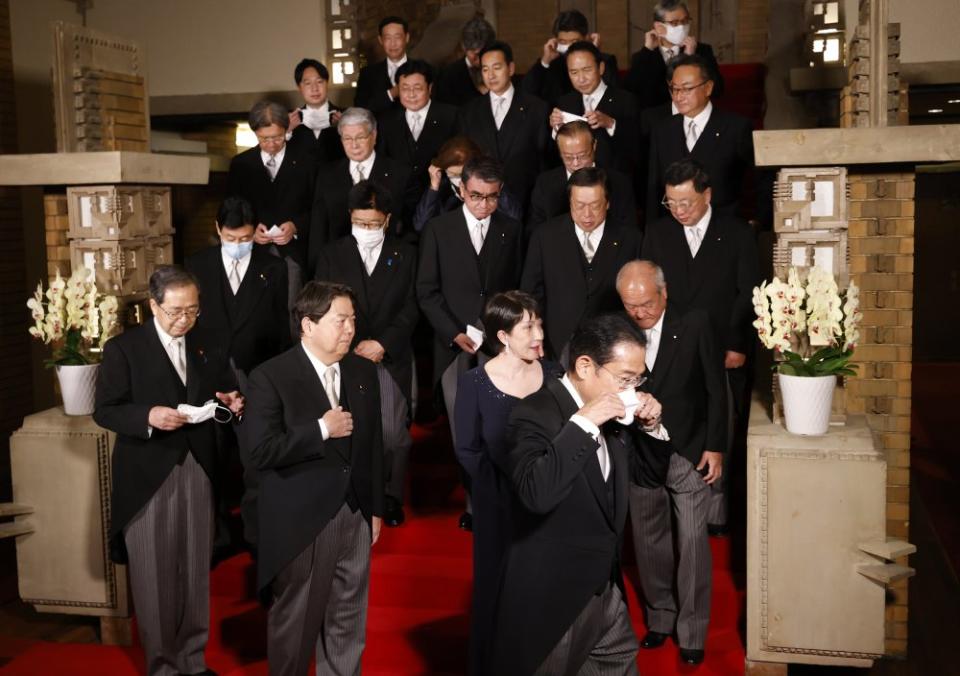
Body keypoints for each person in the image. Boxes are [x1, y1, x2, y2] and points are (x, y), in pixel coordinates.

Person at [491, 313, 671, 675]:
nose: (632, 389)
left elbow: (650, 479)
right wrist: (585, 423)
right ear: (585, 366)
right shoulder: (533, 413)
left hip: (606, 596)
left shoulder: (617, 417)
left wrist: (652, 427)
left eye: (638, 379)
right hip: (553, 604)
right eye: (625, 379)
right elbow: (536, 494)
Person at [94, 265, 244, 676]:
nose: (184, 320)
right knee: (154, 576)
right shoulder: (124, 349)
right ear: (153, 306)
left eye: (192, 311)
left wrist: (231, 400)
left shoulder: (207, 340)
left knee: (196, 568)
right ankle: (162, 666)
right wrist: (149, 415)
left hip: (198, 464)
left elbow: (223, 388)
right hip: (148, 472)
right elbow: (105, 410)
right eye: (175, 312)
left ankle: (193, 660)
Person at [241, 282, 384, 676]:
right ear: (308, 324)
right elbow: (259, 451)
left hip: (354, 511)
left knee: (348, 618)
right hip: (301, 520)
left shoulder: (362, 370)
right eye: (340, 321)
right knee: (297, 623)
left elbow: (373, 444)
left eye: (353, 320)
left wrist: (374, 508)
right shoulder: (271, 376)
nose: (350, 329)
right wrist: (320, 429)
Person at [617, 260, 727, 666]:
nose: (639, 313)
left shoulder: (695, 323)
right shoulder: (618, 329)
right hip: (642, 454)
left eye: (645, 303)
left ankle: (693, 631)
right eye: (630, 306)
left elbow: (717, 391)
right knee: (649, 544)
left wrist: (716, 446)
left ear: (663, 293)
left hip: (689, 450)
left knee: (694, 543)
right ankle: (660, 616)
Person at [641, 158, 759, 533]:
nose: (678, 211)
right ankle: (680, 498)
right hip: (673, 348)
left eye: (685, 203)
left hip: (724, 348)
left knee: (721, 423)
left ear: (707, 195)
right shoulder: (658, 234)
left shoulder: (737, 233)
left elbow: (747, 292)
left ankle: (717, 509)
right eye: (670, 203)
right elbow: (652, 292)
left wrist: (737, 344)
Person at [454, 291, 559, 675]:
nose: (538, 334)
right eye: (528, 327)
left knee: (544, 591)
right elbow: (467, 450)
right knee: (497, 592)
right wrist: (502, 491)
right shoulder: (475, 383)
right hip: (498, 505)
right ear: (503, 336)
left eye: (539, 324)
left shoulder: (554, 374)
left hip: (549, 501)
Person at [416, 155, 523, 529]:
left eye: (492, 197)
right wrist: (453, 332)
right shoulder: (438, 229)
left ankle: (501, 502)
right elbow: (426, 291)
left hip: (499, 346)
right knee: (466, 432)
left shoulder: (511, 229)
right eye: (476, 195)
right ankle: (477, 506)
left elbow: (516, 290)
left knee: (500, 428)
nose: (483, 205)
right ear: (461, 190)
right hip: (453, 347)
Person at [185, 196, 291, 551]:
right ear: (218, 230)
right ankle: (216, 538)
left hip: (255, 375)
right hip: (209, 375)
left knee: (255, 460)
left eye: (245, 238)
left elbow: (279, 329)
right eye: (231, 238)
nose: (238, 246)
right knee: (209, 459)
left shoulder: (272, 268)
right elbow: (190, 327)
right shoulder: (196, 264)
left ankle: (257, 538)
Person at [314, 181, 418, 527]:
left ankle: (389, 495)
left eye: (374, 224)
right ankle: (352, 492)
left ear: (387, 220)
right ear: (350, 218)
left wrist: (383, 343)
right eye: (360, 223)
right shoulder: (332, 254)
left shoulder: (406, 254)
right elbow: (322, 304)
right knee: (349, 429)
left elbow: (412, 305)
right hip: (344, 354)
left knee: (391, 435)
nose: (367, 230)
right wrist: (347, 341)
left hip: (388, 354)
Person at [522, 167, 641, 360]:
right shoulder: (545, 237)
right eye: (579, 205)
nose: (587, 214)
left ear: (608, 203)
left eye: (595, 205)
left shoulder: (631, 239)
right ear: (569, 202)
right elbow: (531, 294)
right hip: (556, 346)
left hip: (610, 348)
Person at [228, 100, 316, 307]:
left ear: (286, 129)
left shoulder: (307, 161)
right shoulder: (241, 164)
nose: (271, 144)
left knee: (292, 310)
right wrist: (249, 229)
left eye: (277, 137)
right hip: (254, 251)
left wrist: (296, 226)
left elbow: (318, 206)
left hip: (293, 252)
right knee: (256, 308)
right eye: (263, 139)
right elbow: (232, 207)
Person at [645, 53, 752, 224]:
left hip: (723, 227)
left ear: (708, 87)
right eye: (674, 89)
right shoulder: (663, 129)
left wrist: (754, 222)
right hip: (675, 230)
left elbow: (751, 183)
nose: (679, 96)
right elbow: (654, 187)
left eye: (687, 88)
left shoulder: (736, 128)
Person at [308, 106, 412, 269]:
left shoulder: (399, 173)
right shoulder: (327, 174)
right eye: (347, 139)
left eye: (360, 137)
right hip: (339, 265)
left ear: (374, 136)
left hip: (387, 264)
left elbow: (409, 224)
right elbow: (319, 227)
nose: (354, 145)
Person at [458, 41, 550, 217]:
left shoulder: (537, 108)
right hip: (482, 207)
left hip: (526, 202)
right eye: (485, 69)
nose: (490, 75)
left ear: (511, 68)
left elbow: (543, 161)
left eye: (496, 67)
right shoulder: (468, 112)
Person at [376, 59, 459, 228]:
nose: (411, 94)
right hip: (400, 211)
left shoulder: (451, 116)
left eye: (417, 88)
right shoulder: (387, 122)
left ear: (429, 88)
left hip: (441, 206)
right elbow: (383, 165)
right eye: (405, 88)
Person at [549, 40, 638, 175]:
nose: (581, 78)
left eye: (587, 70)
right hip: (576, 183)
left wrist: (610, 123)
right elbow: (553, 155)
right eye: (574, 72)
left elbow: (637, 145)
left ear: (601, 68)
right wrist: (556, 128)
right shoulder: (565, 102)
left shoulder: (625, 100)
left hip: (613, 180)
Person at [528, 120, 636, 231]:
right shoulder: (544, 183)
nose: (575, 164)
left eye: (582, 156)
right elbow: (535, 232)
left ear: (594, 146)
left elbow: (629, 232)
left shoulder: (619, 182)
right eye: (568, 157)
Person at [624, 0, 723, 111]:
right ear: (658, 27)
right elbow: (631, 93)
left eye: (685, 21)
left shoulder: (702, 51)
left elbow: (717, 90)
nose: (681, 27)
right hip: (656, 119)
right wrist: (647, 50)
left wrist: (690, 59)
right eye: (674, 23)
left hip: (692, 115)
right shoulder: (644, 55)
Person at [412, 135, 521, 233]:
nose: (460, 181)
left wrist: (492, 183)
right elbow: (420, 226)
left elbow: (514, 217)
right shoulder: (442, 189)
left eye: (463, 174)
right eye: (453, 175)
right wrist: (434, 187)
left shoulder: (490, 184)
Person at [521, 9, 619, 109]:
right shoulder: (552, 63)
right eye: (563, 42)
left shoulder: (606, 61)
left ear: (586, 38)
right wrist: (545, 61)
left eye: (574, 41)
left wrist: (594, 54)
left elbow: (613, 96)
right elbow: (526, 91)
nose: (568, 47)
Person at [285, 58, 345, 166]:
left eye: (319, 82)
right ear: (299, 87)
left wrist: (345, 129)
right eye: (308, 83)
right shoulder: (290, 122)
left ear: (327, 83)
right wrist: (287, 132)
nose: (315, 89)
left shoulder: (345, 116)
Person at [434, 16, 496, 106]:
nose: (480, 59)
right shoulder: (446, 76)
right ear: (463, 47)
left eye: (485, 52)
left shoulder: (503, 71)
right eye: (475, 54)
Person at [354, 16, 409, 115]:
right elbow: (360, 110)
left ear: (407, 38)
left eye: (397, 37)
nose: (393, 43)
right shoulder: (367, 74)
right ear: (380, 40)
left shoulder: (425, 70)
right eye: (388, 38)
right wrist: (391, 93)